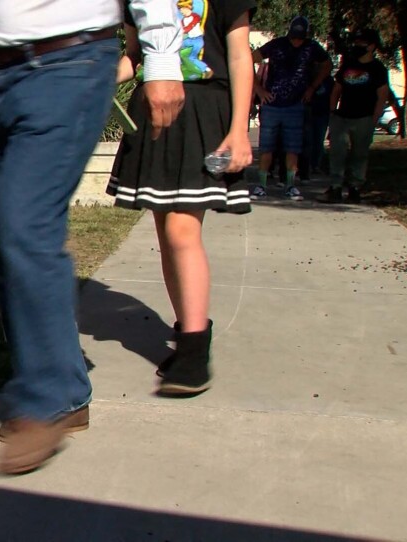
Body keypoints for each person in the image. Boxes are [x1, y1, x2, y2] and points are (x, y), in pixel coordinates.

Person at [0, 0, 186, 475]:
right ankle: (62, 387)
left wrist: (163, 59)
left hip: (69, 61)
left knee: (27, 228)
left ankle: (48, 399)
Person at [107, 0, 256, 395]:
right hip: (154, 114)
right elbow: (135, 57)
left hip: (205, 111)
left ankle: (194, 349)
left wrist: (240, 129)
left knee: (180, 231)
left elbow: (240, 55)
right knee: (166, 234)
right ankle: (188, 332)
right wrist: (97, 77)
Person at [251, 16, 332, 201]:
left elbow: (327, 65)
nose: (296, 41)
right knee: (266, 147)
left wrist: (312, 87)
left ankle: (290, 185)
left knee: (293, 147)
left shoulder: (311, 47)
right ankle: (261, 185)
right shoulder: (277, 44)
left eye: (300, 38)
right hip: (271, 104)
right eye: (294, 37)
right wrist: (259, 89)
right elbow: (249, 59)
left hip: (296, 104)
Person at [317, 28, 390, 204]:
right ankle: (335, 187)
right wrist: (332, 111)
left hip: (364, 117)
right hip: (342, 117)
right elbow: (337, 88)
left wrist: (374, 118)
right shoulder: (348, 64)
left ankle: (355, 188)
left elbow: (382, 95)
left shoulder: (378, 69)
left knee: (360, 154)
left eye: (362, 43)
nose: (357, 46)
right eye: (356, 42)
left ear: (372, 46)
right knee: (337, 152)